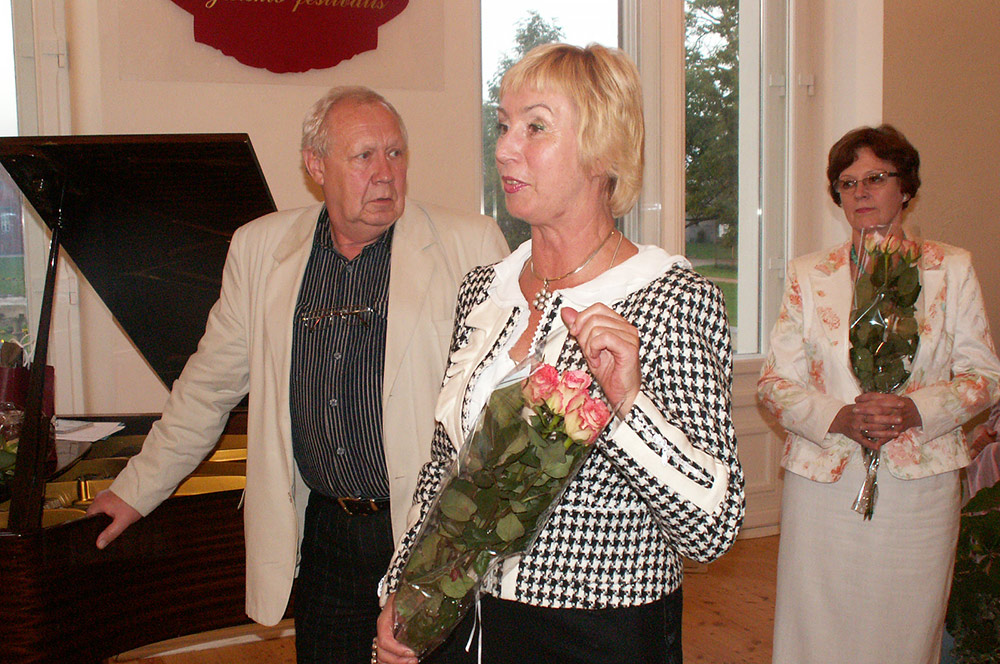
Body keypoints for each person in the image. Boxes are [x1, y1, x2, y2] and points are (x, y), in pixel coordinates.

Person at [85, 86, 509, 663]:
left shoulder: (469, 245)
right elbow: (207, 389)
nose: (385, 174)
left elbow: (500, 409)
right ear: (316, 166)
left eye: (395, 153)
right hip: (326, 535)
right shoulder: (259, 249)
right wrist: (133, 491)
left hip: (428, 531)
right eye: (363, 156)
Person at [374, 43, 744, 664]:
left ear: (602, 150)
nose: (504, 149)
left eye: (536, 127)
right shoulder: (484, 292)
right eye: (503, 125)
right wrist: (404, 588)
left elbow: (713, 528)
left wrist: (626, 406)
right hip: (460, 617)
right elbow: (445, 467)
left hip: (596, 636)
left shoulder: (669, 299)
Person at [757, 124, 1000, 663]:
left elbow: (985, 376)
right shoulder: (808, 274)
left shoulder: (951, 269)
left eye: (876, 178)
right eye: (847, 183)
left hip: (919, 489)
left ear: (905, 187)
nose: (860, 192)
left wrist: (917, 409)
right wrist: (837, 416)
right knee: (816, 628)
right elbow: (773, 385)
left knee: (906, 629)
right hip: (824, 484)